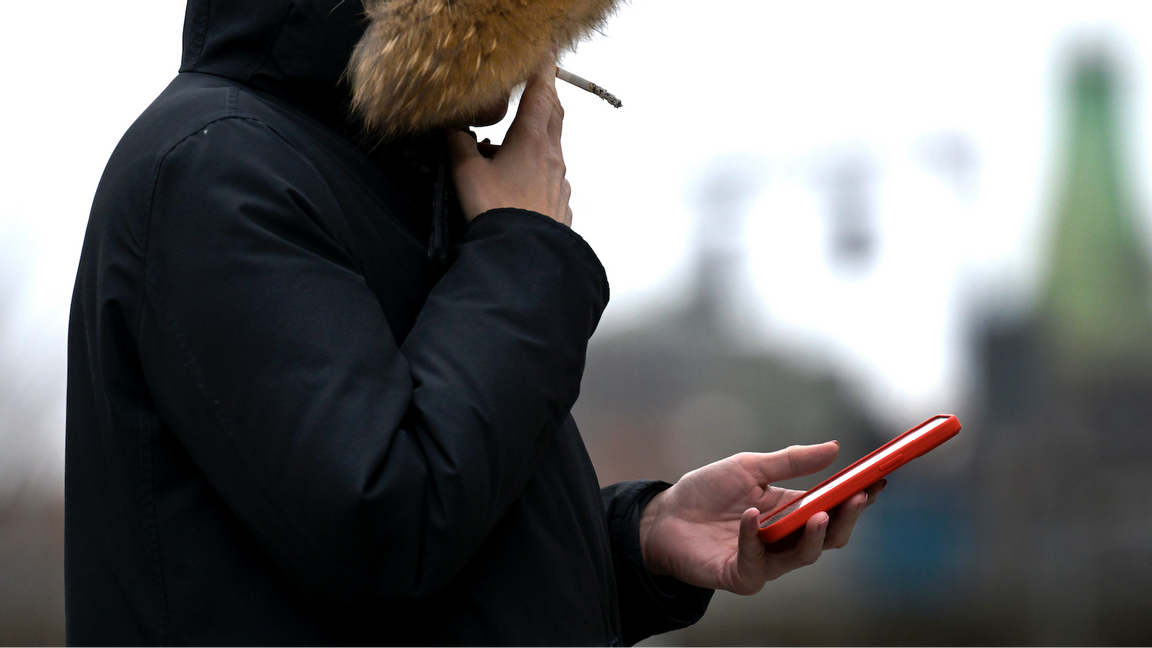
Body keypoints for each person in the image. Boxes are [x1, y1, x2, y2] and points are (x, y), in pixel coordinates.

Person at [66, 1, 883, 646]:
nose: (537, 67)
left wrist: (639, 541)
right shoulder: (218, 170)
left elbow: (414, 549)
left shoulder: (383, 174)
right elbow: (386, 526)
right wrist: (524, 255)